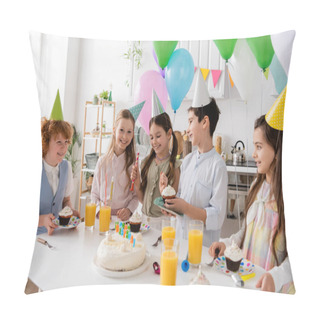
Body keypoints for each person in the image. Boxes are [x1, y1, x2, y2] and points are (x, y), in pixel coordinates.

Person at [208, 115, 295, 293]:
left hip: (273, 288)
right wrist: (227, 244)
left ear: (278, 150)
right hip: (248, 281)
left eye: (259, 147)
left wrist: (275, 277)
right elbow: (246, 233)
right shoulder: (256, 186)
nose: (253, 154)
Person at [160, 98, 228, 247]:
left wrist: (185, 207)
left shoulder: (218, 166)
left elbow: (216, 217)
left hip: (202, 250)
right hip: (179, 243)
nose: (187, 129)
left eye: (191, 121)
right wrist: (168, 198)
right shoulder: (188, 161)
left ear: (204, 122)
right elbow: (181, 200)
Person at [131, 112, 181, 219]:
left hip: (163, 223)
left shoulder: (174, 167)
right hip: (144, 219)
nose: (154, 142)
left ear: (168, 134)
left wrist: (164, 191)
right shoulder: (146, 163)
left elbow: (173, 206)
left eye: (158, 136)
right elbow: (143, 199)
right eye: (151, 137)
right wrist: (137, 184)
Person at [91, 109, 139, 221]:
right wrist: (99, 211)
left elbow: (136, 196)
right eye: (121, 130)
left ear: (133, 135)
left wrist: (129, 210)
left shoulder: (133, 165)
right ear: (114, 131)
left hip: (123, 220)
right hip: (102, 219)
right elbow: (94, 194)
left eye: (129, 132)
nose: (125, 137)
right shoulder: (102, 162)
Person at [38, 117, 80, 235]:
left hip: (57, 235)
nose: (64, 147)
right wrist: (42, 220)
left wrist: (69, 211)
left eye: (66, 141)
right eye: (59, 142)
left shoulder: (66, 167)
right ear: (46, 142)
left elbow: (66, 200)